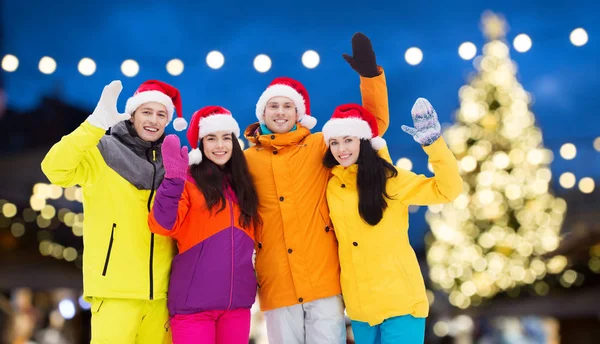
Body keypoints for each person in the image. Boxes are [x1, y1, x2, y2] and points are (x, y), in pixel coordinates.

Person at [243, 32, 389, 343]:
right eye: (273, 106)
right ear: (262, 114)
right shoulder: (246, 160)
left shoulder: (320, 144)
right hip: (277, 281)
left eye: (287, 106)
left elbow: (369, 127)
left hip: (325, 278)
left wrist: (370, 77)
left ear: (299, 113)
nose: (280, 112)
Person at [41, 79, 188, 343]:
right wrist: (95, 124)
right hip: (115, 292)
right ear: (132, 114)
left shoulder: (174, 161)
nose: (153, 120)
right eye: (147, 111)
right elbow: (54, 168)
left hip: (162, 297)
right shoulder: (103, 150)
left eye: (161, 114)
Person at [320, 99, 463, 343]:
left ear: (363, 141)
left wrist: (433, 144)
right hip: (360, 309)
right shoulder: (331, 185)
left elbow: (448, 190)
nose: (341, 149)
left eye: (348, 140)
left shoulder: (391, 180)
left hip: (400, 303)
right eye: (334, 142)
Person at [148, 106, 261, 344]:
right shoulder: (188, 180)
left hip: (237, 305)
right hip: (194, 305)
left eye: (225, 138)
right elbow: (161, 225)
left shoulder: (244, 186)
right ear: (201, 143)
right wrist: (173, 180)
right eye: (211, 138)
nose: (219, 145)